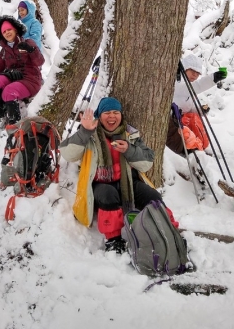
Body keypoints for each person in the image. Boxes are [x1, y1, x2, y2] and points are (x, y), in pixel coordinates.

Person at [60, 97, 179, 254]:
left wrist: (129, 150)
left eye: (116, 112)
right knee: (108, 194)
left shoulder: (129, 134)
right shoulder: (90, 134)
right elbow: (68, 154)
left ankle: (169, 230)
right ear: (99, 115)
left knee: (152, 195)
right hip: (100, 183)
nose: (112, 116)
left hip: (128, 181)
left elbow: (147, 163)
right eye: (107, 112)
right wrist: (85, 132)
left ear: (121, 115)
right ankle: (113, 239)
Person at [0, 15, 44, 125]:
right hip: (14, 78)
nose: (7, 33)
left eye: (9, 29)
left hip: (30, 79)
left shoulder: (28, 42)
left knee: (8, 91)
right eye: (4, 32)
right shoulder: (4, 50)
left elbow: (40, 62)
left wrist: (31, 50)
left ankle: (14, 124)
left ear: (15, 29)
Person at [166, 54, 226, 156]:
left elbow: (188, 108)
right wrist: (213, 78)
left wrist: (200, 110)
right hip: (171, 124)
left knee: (195, 122)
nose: (195, 75)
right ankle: (184, 152)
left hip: (180, 122)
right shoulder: (177, 82)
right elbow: (196, 86)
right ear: (184, 68)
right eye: (192, 71)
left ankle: (194, 148)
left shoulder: (188, 87)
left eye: (197, 73)